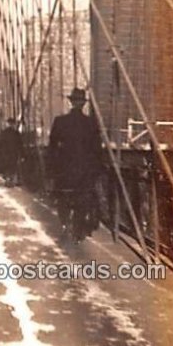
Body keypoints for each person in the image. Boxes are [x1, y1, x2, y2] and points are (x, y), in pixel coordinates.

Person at [47, 87, 102, 241]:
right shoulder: (91, 123)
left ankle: (65, 224)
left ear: (71, 102)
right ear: (83, 104)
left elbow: (52, 147)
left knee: (63, 198)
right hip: (84, 172)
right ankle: (77, 229)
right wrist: (96, 170)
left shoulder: (60, 121)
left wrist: (51, 170)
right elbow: (97, 150)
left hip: (64, 171)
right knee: (82, 199)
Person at [0, 117, 24, 187]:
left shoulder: (3, 133)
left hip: (4, 154)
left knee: (6, 167)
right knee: (12, 167)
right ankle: (11, 179)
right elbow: (20, 145)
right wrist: (22, 155)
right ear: (13, 124)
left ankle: (7, 179)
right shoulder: (16, 133)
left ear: (7, 124)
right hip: (13, 154)